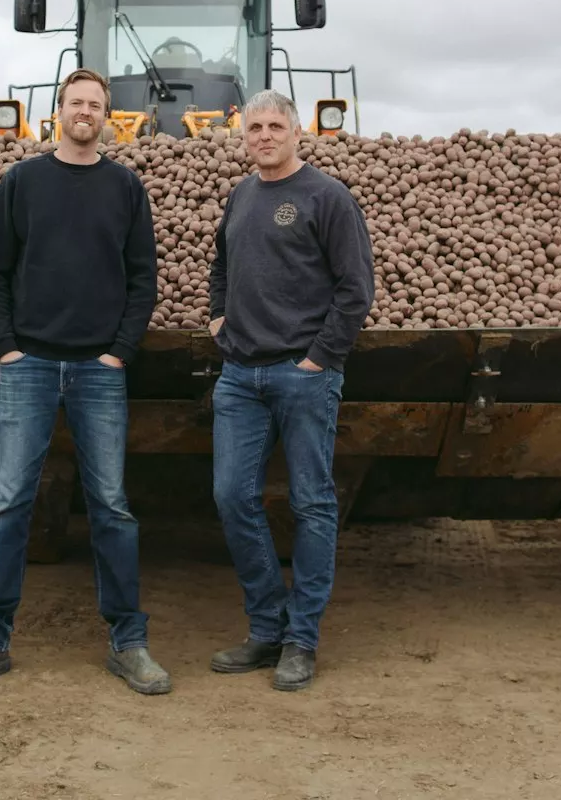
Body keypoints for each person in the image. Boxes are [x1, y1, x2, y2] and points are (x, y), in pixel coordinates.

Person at [0, 68, 170, 695]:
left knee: (113, 507)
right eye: (76, 103)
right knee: (10, 501)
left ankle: (128, 642)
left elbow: (142, 278)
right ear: (59, 111)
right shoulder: (23, 181)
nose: (85, 112)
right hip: (30, 367)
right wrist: (6, 348)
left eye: (96, 105)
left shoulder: (126, 187)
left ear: (107, 116)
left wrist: (119, 353)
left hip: (99, 369)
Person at [206, 89, 374, 692]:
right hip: (239, 377)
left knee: (311, 503)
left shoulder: (327, 197)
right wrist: (217, 316)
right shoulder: (242, 194)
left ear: (297, 132)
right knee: (231, 496)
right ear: (243, 135)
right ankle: (266, 628)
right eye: (256, 127)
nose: (266, 135)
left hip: (302, 376)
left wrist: (318, 360)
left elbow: (356, 288)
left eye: (277, 125)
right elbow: (221, 263)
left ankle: (301, 640)